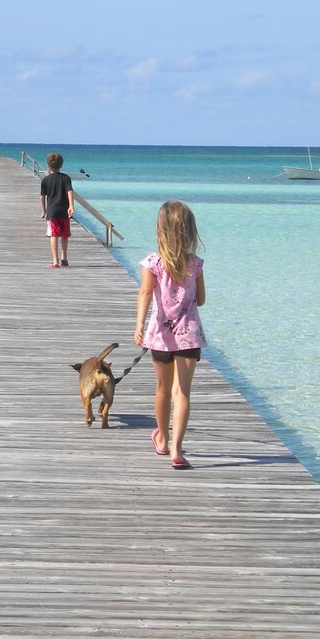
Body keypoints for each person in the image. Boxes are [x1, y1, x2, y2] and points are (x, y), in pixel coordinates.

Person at [134, 200, 206, 469]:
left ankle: (162, 439)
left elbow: (144, 293)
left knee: (163, 389)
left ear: (160, 230)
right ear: (189, 231)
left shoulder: (152, 263)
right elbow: (201, 300)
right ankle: (177, 449)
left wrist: (139, 324)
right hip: (190, 336)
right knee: (183, 393)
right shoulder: (196, 263)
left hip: (161, 337)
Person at [39, 151, 74, 268]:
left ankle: (55, 261)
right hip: (64, 211)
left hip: (52, 211)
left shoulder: (46, 180)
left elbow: (42, 197)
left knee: (53, 235)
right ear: (61, 165)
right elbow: (70, 191)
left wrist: (43, 211)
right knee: (64, 235)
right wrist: (71, 206)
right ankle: (64, 258)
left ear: (48, 166)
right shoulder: (66, 178)